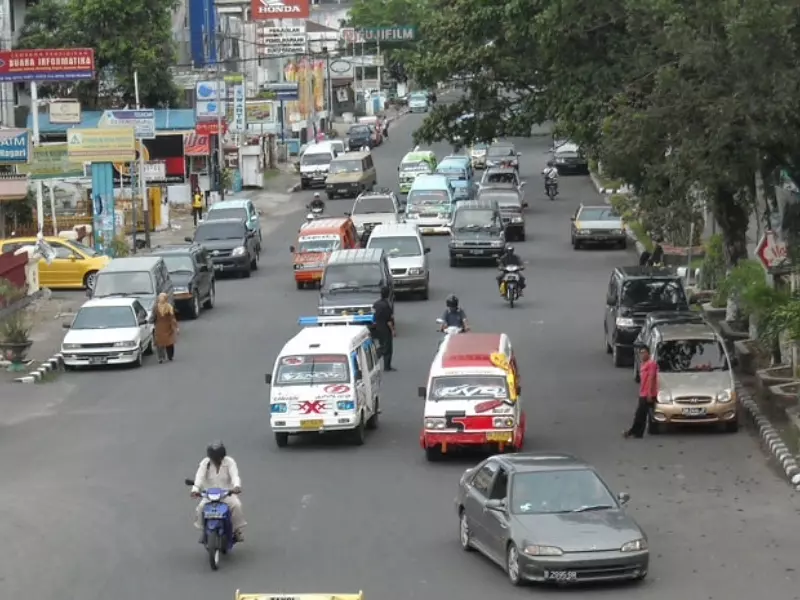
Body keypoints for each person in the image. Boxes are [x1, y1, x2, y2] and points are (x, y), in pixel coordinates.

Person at [191, 441, 246, 542]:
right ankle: (204, 531)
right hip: (209, 495)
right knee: (201, 508)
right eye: (214, 458)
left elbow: (235, 475)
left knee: (236, 505)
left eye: (218, 458)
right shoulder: (205, 463)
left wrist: (236, 486)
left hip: (227, 494)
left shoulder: (229, 462)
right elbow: (199, 477)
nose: (216, 460)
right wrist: (195, 490)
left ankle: (236, 530)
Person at [624, 344, 659, 438]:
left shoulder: (651, 364)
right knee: (641, 415)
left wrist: (649, 394)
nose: (642, 355)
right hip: (642, 393)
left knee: (640, 414)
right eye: (641, 353)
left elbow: (651, 378)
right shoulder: (643, 364)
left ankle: (632, 431)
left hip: (647, 394)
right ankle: (638, 433)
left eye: (644, 353)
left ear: (649, 353)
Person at [372, 286, 396, 371]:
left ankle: (378, 359)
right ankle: (384, 364)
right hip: (385, 329)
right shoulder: (386, 305)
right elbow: (389, 320)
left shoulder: (376, 304)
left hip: (377, 327)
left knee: (382, 345)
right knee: (387, 348)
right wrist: (393, 330)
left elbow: (374, 316)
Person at [154, 292, 178, 363]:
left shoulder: (167, 307)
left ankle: (166, 356)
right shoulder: (158, 307)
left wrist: (176, 327)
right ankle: (164, 357)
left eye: (162, 297)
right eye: (160, 297)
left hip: (164, 327)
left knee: (165, 342)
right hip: (162, 327)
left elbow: (172, 318)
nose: (160, 299)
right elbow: (154, 316)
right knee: (163, 342)